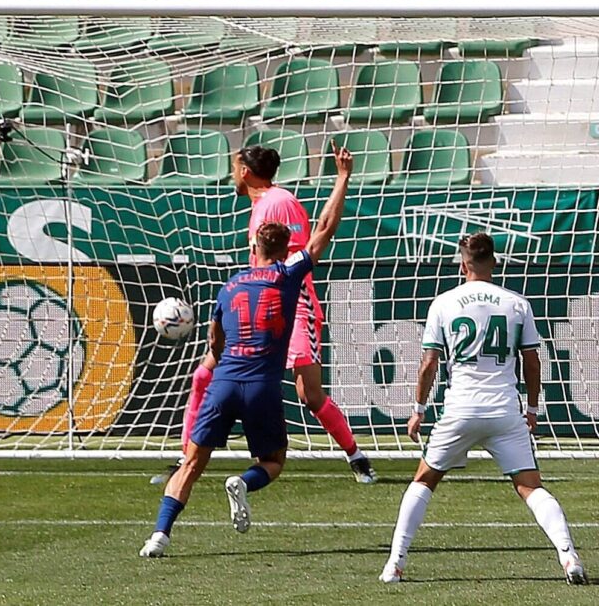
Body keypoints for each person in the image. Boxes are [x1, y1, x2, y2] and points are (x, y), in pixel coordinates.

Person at [139, 144, 352, 558]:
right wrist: (341, 177)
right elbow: (325, 227)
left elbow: (214, 342)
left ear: (254, 245)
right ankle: (244, 482)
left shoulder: (231, 286)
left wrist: (219, 362)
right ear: (283, 249)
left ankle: (159, 536)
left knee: (192, 463)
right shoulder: (288, 277)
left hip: (224, 381)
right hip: (261, 386)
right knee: (272, 460)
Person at [379, 232, 586, 585]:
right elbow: (533, 361)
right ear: (494, 261)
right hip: (504, 410)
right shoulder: (516, 303)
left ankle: (394, 565)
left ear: (463, 265)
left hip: (459, 409)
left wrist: (418, 408)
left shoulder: (443, 303)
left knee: (424, 480)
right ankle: (569, 558)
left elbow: (429, 363)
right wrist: (532, 409)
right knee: (531, 487)